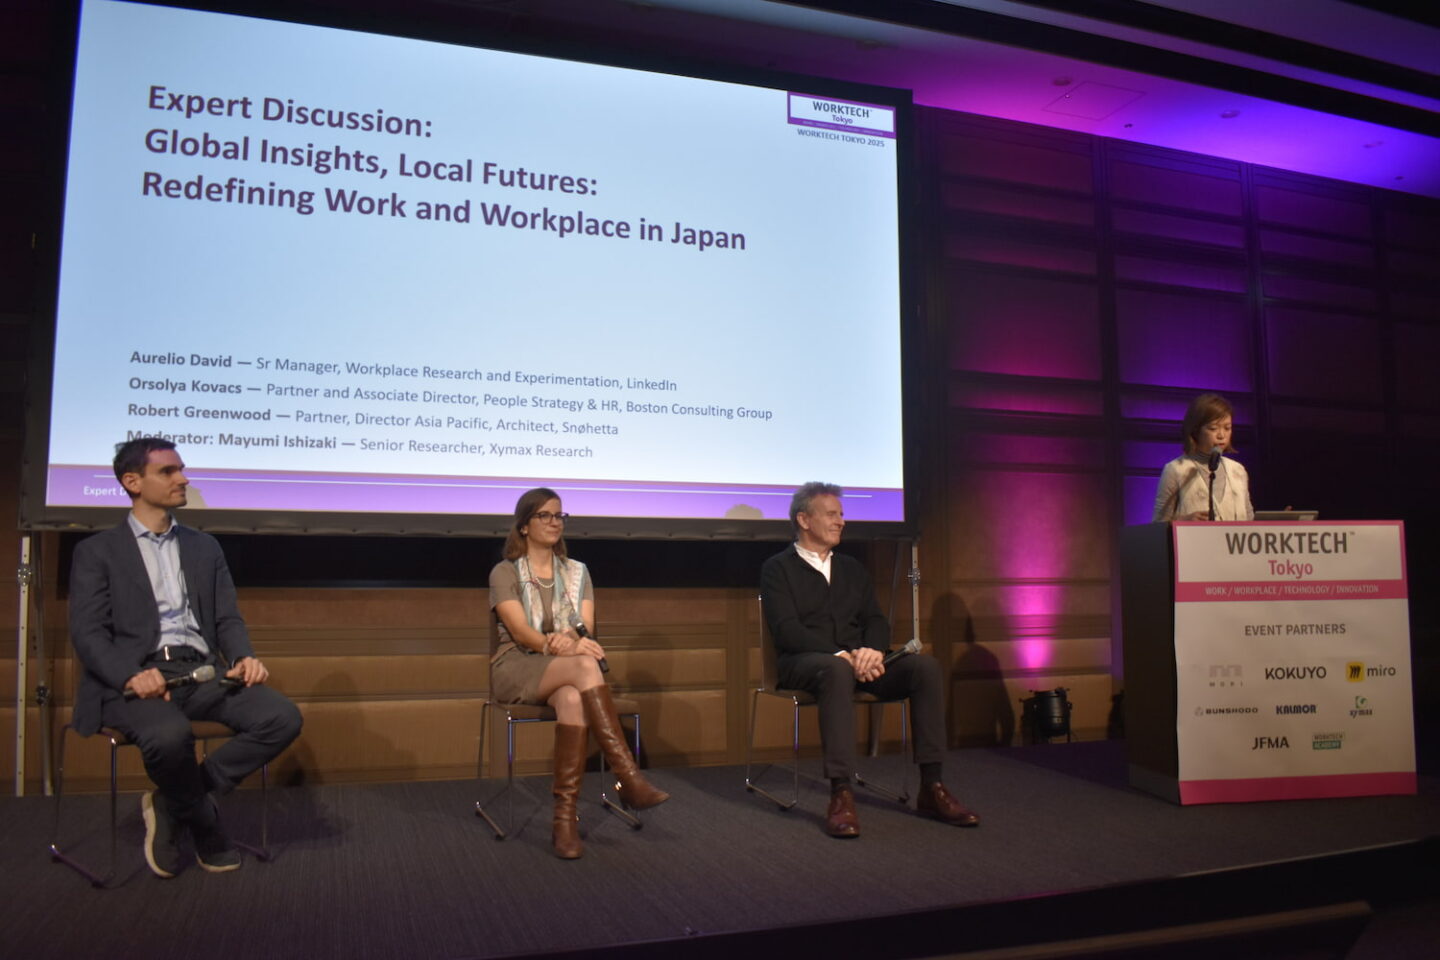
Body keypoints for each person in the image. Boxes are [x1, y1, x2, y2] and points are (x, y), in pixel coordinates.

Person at [68, 438, 302, 878]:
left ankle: (178, 801)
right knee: (171, 735)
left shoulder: (204, 547)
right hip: (134, 678)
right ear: (132, 482)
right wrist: (131, 676)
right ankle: (206, 824)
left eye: (182, 469)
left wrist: (243, 657)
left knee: (281, 716)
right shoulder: (97, 551)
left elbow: (227, 617)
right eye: (169, 471)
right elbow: (87, 632)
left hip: (200, 672)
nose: (184, 479)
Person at [760, 482, 979, 838]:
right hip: (805, 664)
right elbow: (786, 630)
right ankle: (841, 792)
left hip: (859, 662)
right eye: (832, 514)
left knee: (924, 667)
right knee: (835, 669)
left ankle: (932, 785)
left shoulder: (851, 568)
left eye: (842, 515)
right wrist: (843, 654)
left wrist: (874, 651)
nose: (841, 522)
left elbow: (875, 620)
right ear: (803, 519)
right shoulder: (777, 568)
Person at [489, 487, 668, 859]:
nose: (555, 522)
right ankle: (628, 776)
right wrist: (552, 644)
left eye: (559, 516)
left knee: (572, 697)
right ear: (524, 525)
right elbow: (521, 632)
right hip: (516, 665)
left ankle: (564, 822)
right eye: (545, 516)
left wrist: (566, 642)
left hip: (561, 667)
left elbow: (584, 627)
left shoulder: (577, 573)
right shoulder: (504, 572)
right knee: (586, 664)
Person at [1152, 393, 1255, 522]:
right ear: (1196, 431)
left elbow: (1250, 521)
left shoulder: (1238, 470)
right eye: (1213, 428)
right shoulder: (1176, 470)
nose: (1221, 435)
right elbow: (1158, 525)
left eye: (1227, 428)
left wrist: (1275, 522)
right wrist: (1182, 522)